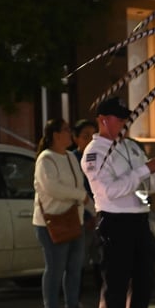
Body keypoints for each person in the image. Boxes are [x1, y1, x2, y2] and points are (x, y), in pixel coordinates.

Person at [82, 96, 155, 308]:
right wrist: (145, 169)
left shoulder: (130, 147)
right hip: (114, 222)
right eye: (119, 118)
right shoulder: (95, 153)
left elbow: (147, 186)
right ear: (103, 119)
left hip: (139, 220)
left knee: (144, 283)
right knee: (116, 288)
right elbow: (109, 190)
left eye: (125, 118)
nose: (124, 123)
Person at [33, 119, 94, 308]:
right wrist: (80, 196)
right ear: (56, 135)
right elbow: (52, 188)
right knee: (55, 266)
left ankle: (72, 307)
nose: (70, 134)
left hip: (73, 220)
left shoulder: (69, 157)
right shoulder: (45, 159)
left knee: (75, 266)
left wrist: (92, 210)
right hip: (52, 222)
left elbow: (81, 186)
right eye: (67, 130)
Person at [70, 119, 102, 290]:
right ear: (76, 138)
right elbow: (78, 189)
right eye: (85, 136)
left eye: (93, 135)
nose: (90, 140)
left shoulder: (99, 157)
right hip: (82, 215)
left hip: (99, 213)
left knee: (100, 256)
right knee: (80, 256)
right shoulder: (73, 159)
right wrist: (89, 215)